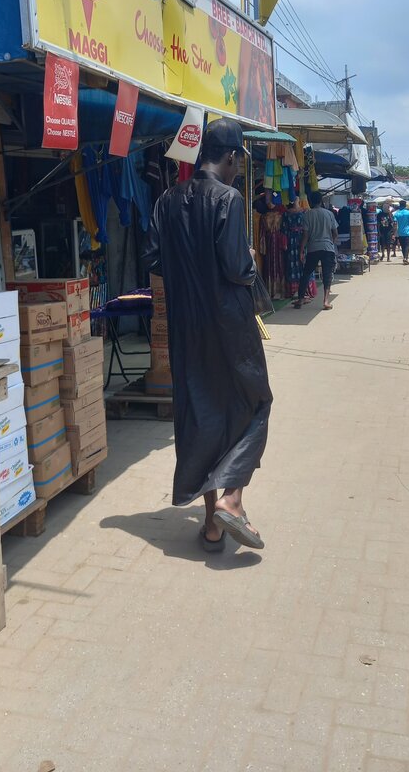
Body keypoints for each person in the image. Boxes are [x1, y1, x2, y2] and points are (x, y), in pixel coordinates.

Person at [143, 118, 271, 552]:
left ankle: (212, 524)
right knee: (253, 404)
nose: (239, 169)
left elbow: (155, 260)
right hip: (231, 328)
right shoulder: (229, 199)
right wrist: (251, 258)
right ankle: (232, 502)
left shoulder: (166, 200)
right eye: (239, 161)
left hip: (187, 329)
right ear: (231, 156)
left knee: (203, 415)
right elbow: (237, 269)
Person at [293, 190, 338, 311]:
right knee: (327, 274)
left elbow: (305, 236)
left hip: (313, 248)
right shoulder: (329, 214)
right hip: (327, 248)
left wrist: (301, 251)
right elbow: (335, 233)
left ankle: (301, 299)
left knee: (306, 273)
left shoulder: (308, 215)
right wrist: (330, 243)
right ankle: (326, 301)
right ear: (321, 201)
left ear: (311, 202)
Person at [393, 198, 409, 264]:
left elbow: (395, 224)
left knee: (403, 246)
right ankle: (405, 258)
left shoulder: (397, 214)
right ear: (405, 205)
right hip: (407, 233)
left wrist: (394, 233)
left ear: (399, 205)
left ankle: (404, 257)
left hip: (400, 233)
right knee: (407, 245)